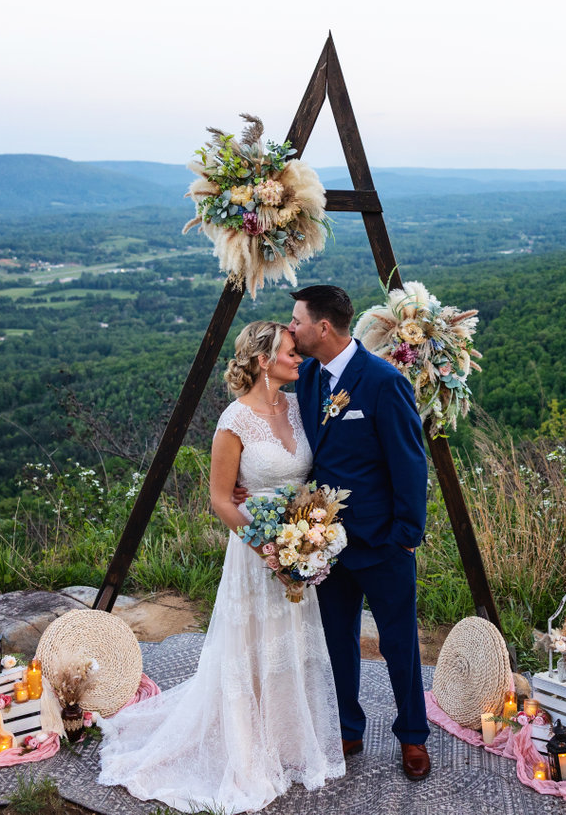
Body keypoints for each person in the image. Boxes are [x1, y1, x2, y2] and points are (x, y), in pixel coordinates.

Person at [97, 320, 344, 813]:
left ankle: (290, 738)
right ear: (261, 361)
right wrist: (270, 552)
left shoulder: (299, 407)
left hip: (299, 543)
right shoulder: (233, 421)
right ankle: (248, 745)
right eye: (291, 353)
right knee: (253, 644)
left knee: (290, 643)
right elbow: (220, 500)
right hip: (257, 552)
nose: (300, 360)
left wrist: (305, 541)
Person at [287, 284, 432, 781]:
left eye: (297, 321)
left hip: (383, 541)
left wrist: (407, 534)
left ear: (323, 327)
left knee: (399, 643)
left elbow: (410, 462)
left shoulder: (383, 380)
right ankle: (349, 727)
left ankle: (413, 735)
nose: (292, 329)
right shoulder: (307, 378)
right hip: (325, 544)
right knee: (338, 640)